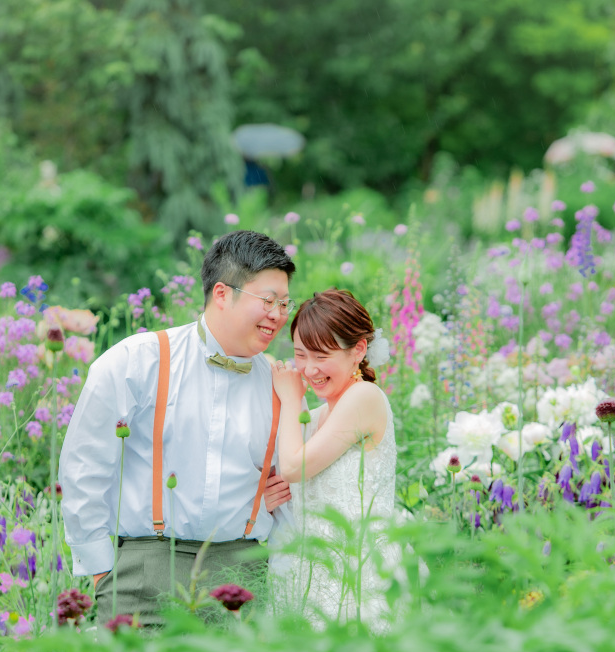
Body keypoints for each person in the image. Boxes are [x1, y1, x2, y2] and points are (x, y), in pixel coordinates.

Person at [59, 230, 295, 629]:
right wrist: (102, 571)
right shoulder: (137, 361)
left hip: (240, 579)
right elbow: (84, 466)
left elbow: (301, 468)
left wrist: (285, 488)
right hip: (145, 570)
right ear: (222, 293)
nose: (278, 314)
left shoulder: (280, 382)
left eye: (285, 303)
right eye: (268, 301)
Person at [268, 288, 396, 627]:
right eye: (300, 355)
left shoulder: (365, 396)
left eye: (321, 356)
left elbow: (294, 467)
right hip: (313, 570)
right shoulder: (320, 414)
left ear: (358, 350)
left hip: (358, 570)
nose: (309, 369)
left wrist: (290, 398)